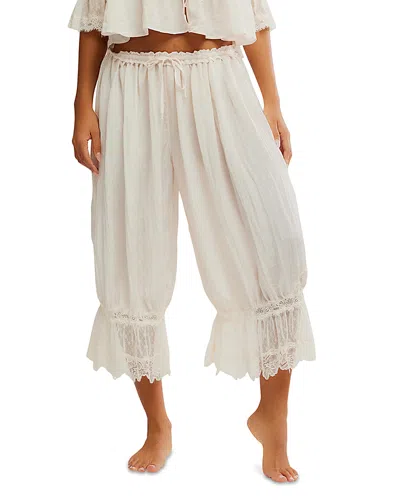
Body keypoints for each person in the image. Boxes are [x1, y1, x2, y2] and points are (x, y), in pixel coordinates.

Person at [69, 0, 316, 483]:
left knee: (274, 247)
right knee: (132, 253)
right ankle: (157, 425)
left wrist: (271, 101)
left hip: (220, 79)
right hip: (130, 87)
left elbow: (252, 13)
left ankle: (273, 417)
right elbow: (96, 19)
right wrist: (82, 103)